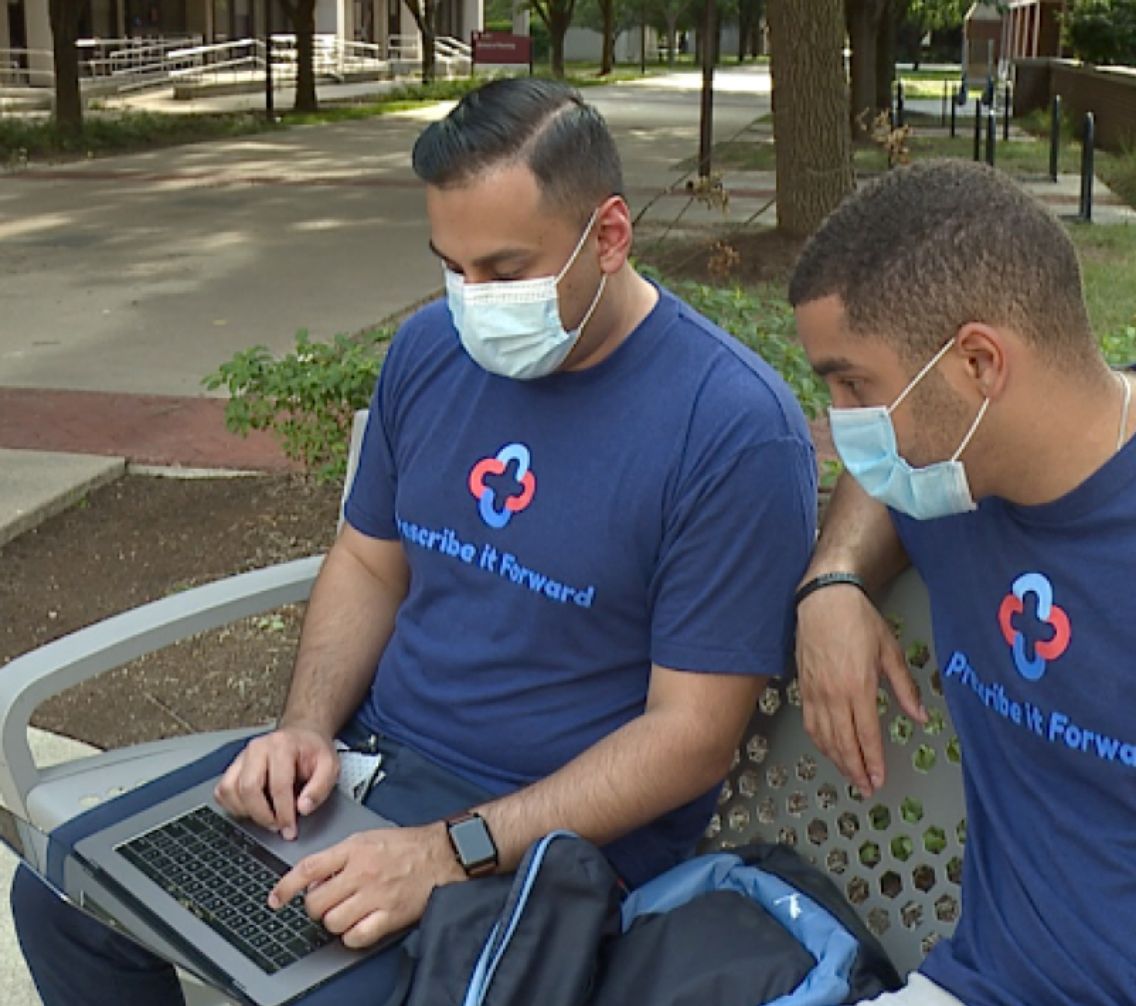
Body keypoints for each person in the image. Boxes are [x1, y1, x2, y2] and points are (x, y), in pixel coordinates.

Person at [12, 78, 818, 1004]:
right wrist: (303, 729)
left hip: (550, 848)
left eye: (506, 271)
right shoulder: (430, 351)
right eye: (452, 267)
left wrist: (448, 852)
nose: (473, 301)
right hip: (369, 771)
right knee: (64, 900)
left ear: (609, 236)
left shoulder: (729, 428)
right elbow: (368, 561)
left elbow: (690, 739)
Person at [789, 158, 1136, 1006]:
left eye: (854, 385)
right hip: (976, 983)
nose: (847, 427)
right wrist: (832, 580)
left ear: (978, 364)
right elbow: (878, 475)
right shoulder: (959, 473)